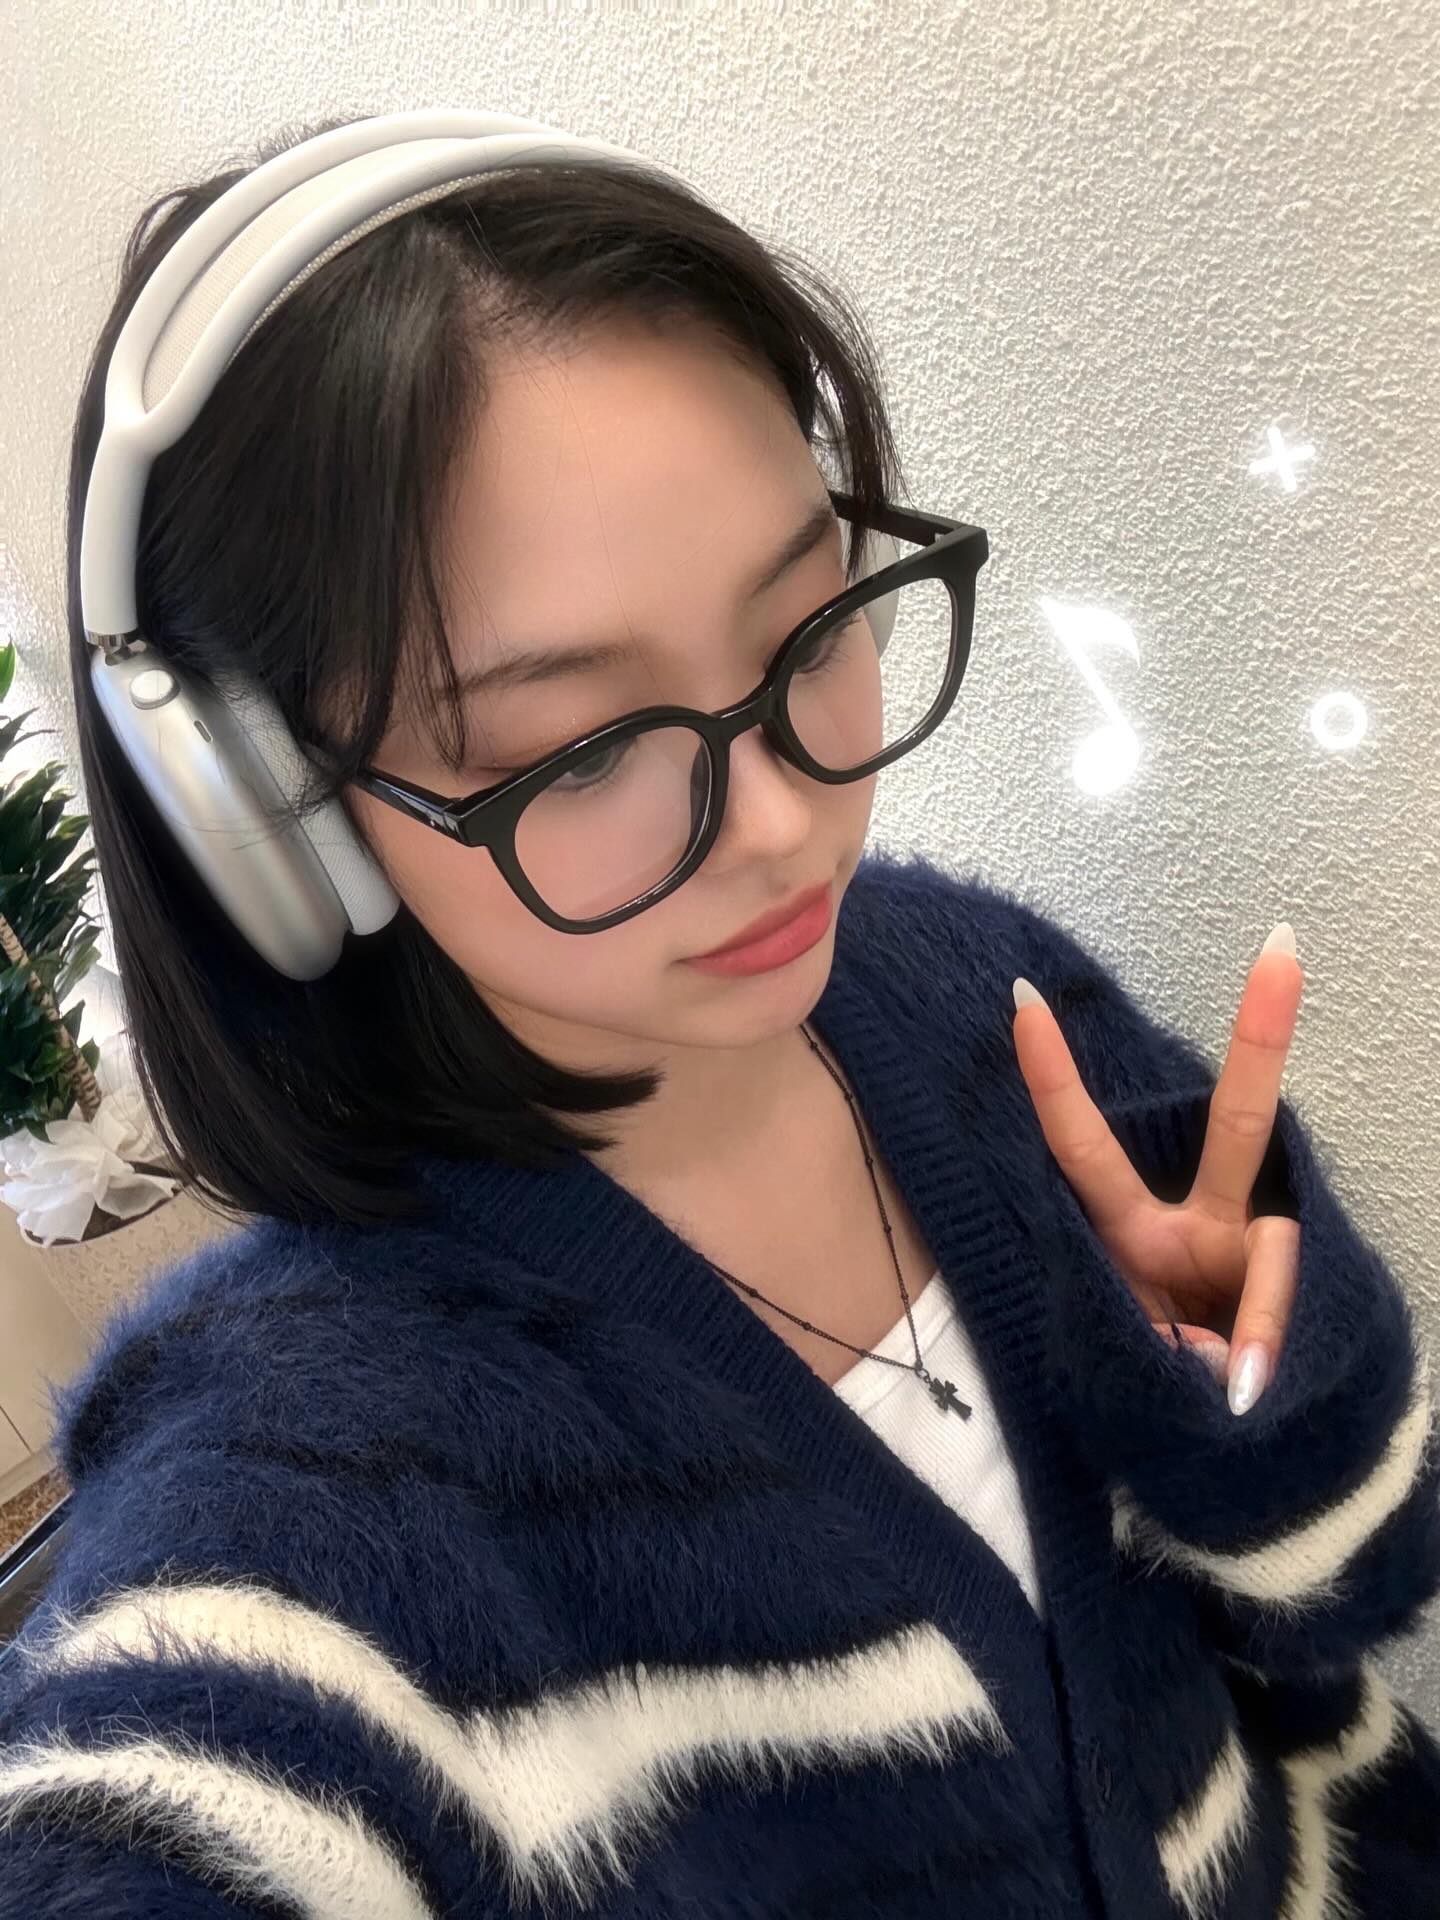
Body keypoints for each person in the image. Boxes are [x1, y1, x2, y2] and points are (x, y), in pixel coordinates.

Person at [1, 109, 1437, 1919]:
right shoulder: (304, 1496)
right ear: (273, 824)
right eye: (580, 748)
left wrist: (1243, 1402)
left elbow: (1362, 1594)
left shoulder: (986, 1002)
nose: (779, 824)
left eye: (806, 627)